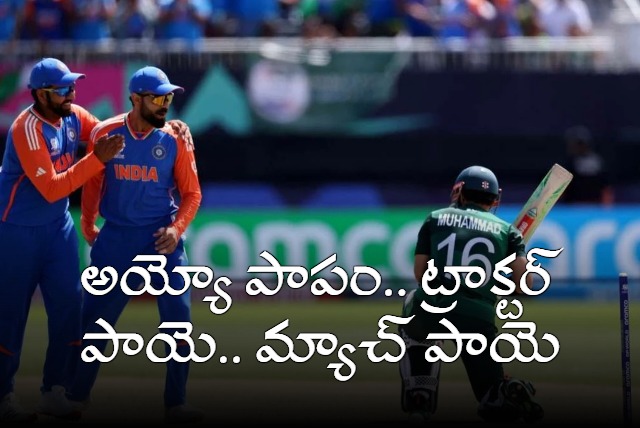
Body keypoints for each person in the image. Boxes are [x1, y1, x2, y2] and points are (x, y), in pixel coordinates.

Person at [68, 65, 203, 423]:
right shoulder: (106, 132)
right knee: (94, 325)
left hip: (162, 239)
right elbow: (93, 181)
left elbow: (192, 193)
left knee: (179, 323)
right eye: (158, 98)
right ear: (136, 98)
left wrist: (176, 229)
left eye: (169, 98)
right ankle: (75, 399)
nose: (165, 105)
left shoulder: (175, 138)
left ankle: (176, 404)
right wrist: (87, 221)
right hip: (117, 239)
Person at [0, 57, 125, 423]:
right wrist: (96, 161)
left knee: (70, 309)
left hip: (58, 230)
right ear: (40, 94)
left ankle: (54, 390)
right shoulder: (26, 128)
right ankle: (3, 395)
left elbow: (105, 131)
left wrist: (166, 129)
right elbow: (53, 188)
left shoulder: (71, 115)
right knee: (9, 316)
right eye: (62, 89)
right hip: (16, 231)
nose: (71, 93)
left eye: (72, 86)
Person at [398, 165, 544, 424]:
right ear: (495, 199)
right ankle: (506, 391)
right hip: (478, 318)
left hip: (433, 308)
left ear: (460, 191)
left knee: (412, 307)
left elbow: (421, 274)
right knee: (490, 398)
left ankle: (420, 395)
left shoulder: (435, 218)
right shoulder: (508, 232)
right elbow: (525, 286)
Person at [562, 125, 614, 205]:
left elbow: (606, 187)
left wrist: (607, 207)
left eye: (580, 144)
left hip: (595, 206)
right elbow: (561, 188)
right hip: (573, 207)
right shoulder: (569, 162)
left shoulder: (598, 161)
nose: (578, 147)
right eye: (575, 144)